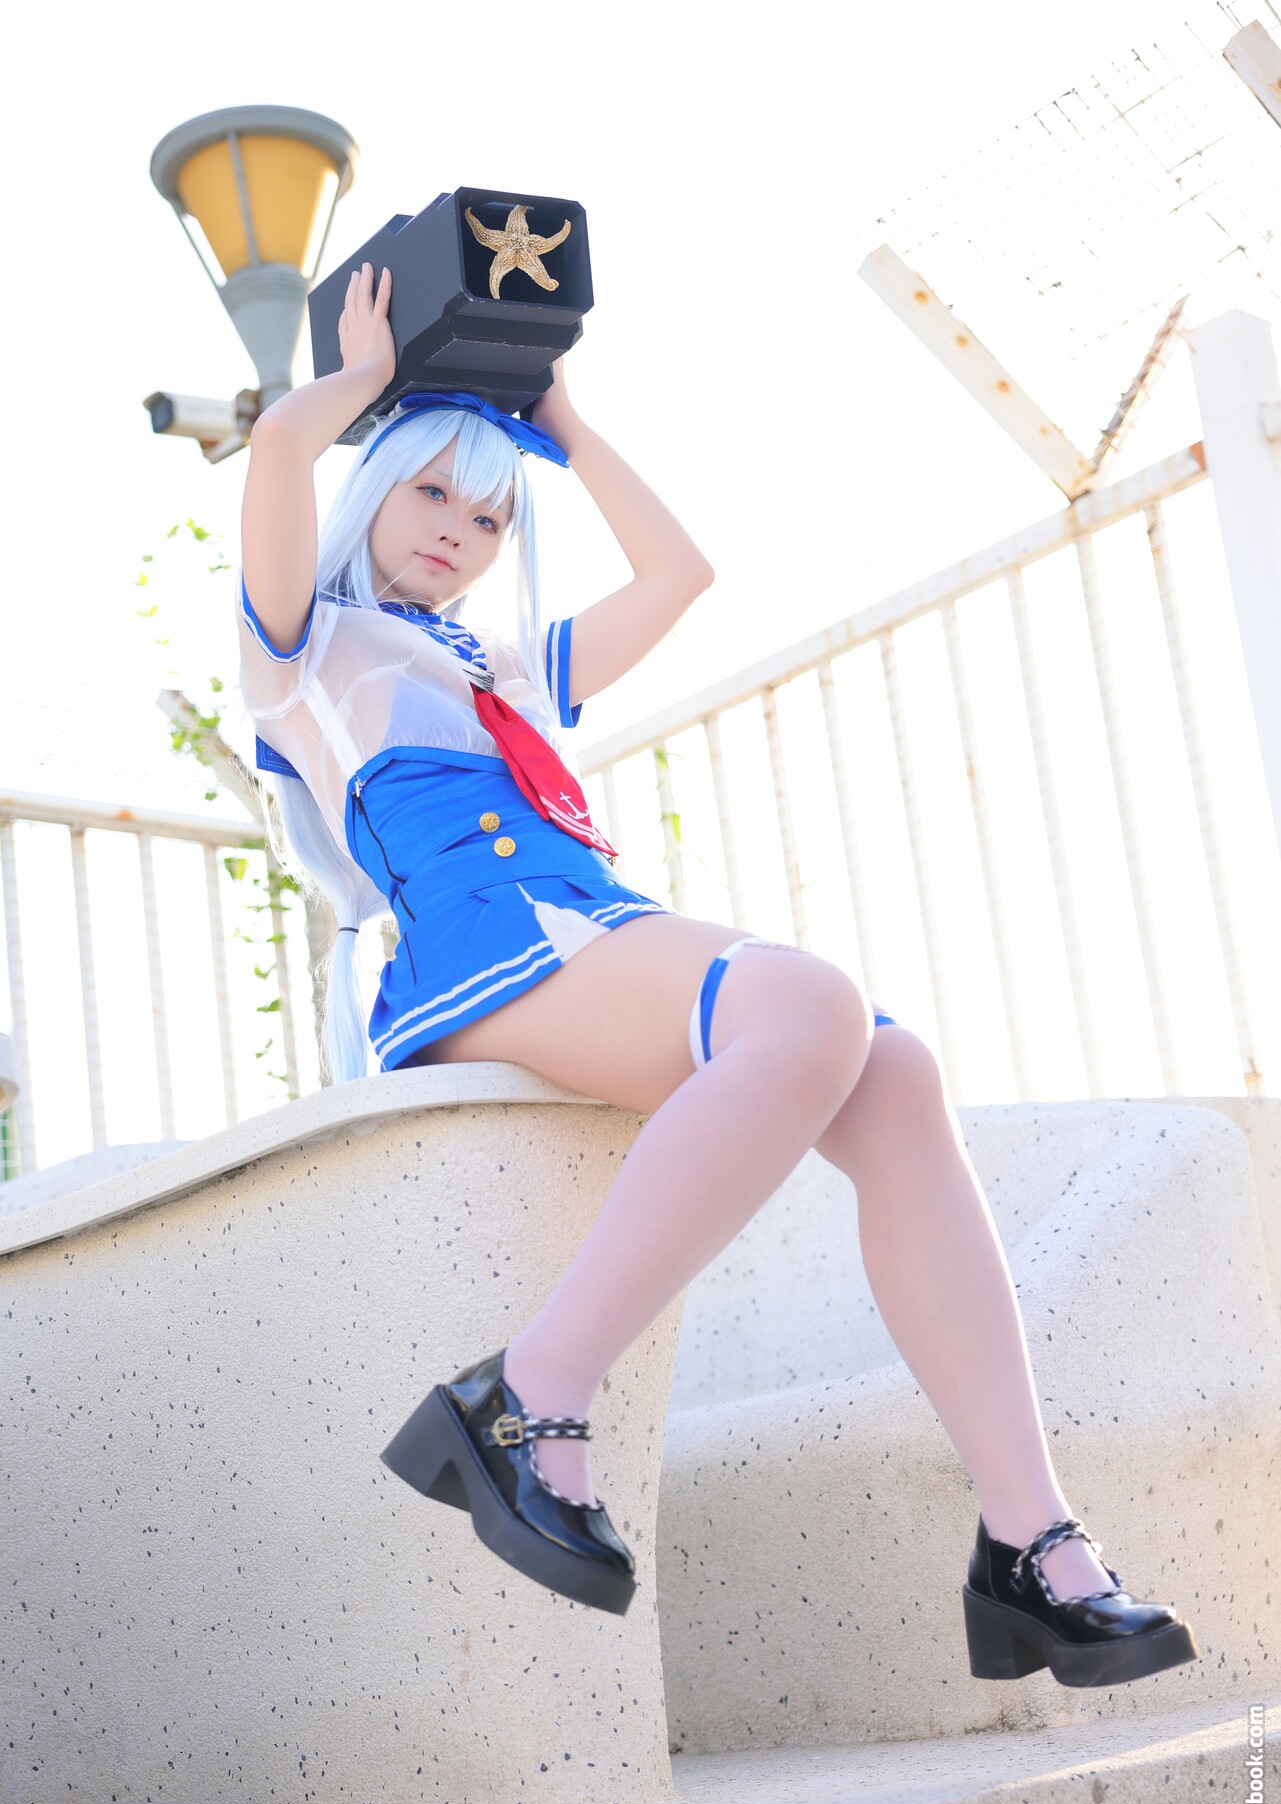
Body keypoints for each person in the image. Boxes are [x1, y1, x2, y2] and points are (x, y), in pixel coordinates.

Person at [237, 261, 1199, 1685]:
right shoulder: (306, 651)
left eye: (491, 514)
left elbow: (681, 576)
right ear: (373, 484)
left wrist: (568, 426)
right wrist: (358, 384)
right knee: (810, 1002)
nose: (459, 530)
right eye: (431, 491)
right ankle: (531, 1393)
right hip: (484, 950)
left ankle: (1027, 1537)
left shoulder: (507, 665)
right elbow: (275, 448)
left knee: (896, 1074)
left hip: (590, 924)